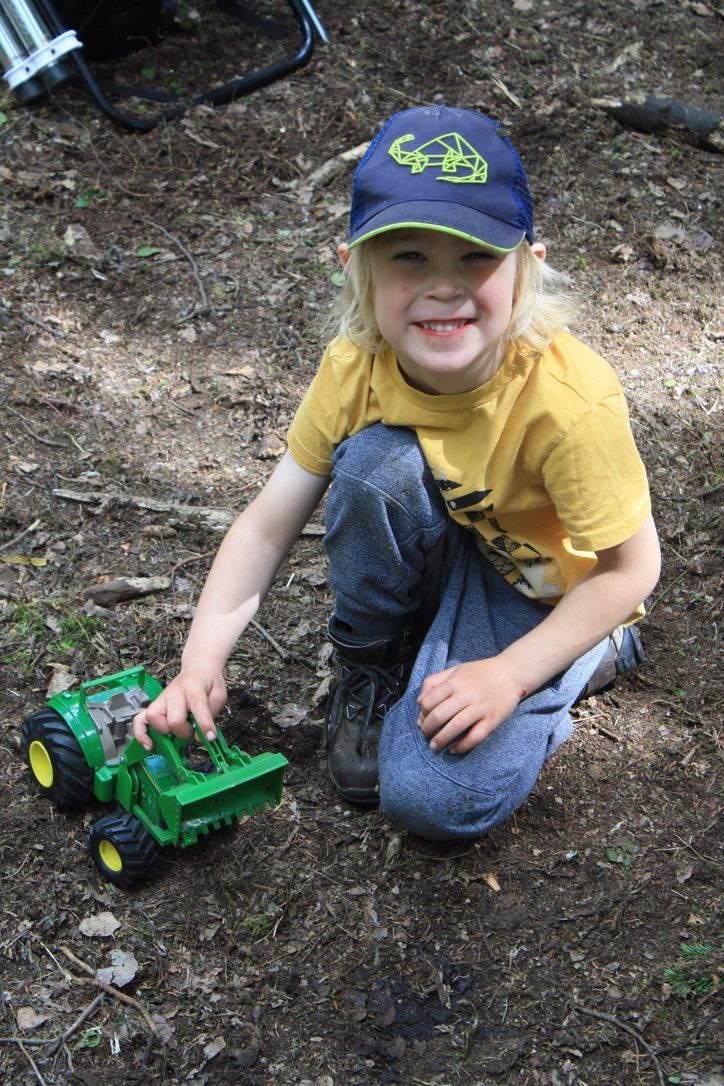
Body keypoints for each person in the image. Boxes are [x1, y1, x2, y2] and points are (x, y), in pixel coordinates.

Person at [132, 105, 661, 840]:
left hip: (546, 594)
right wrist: (198, 666)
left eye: (475, 257)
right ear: (357, 267)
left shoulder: (567, 403)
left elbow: (631, 571)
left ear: (527, 270)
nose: (443, 287)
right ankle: (377, 666)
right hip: (463, 543)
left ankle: (591, 653)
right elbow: (265, 524)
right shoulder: (357, 365)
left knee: (431, 798)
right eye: (409, 257)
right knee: (374, 466)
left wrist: (509, 673)